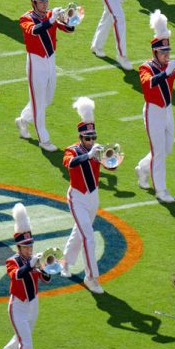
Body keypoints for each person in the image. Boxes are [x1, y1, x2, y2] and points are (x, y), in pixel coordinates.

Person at [134, 10, 175, 199]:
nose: (167, 55)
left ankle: (143, 168)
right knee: (159, 152)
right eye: (163, 52)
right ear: (155, 52)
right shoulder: (146, 67)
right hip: (153, 111)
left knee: (166, 148)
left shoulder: (169, 66)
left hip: (167, 110)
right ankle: (161, 190)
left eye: (168, 51)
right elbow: (148, 84)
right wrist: (167, 72)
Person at [17, 0, 75, 149]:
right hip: (36, 62)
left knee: (46, 99)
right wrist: (50, 20)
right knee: (38, 100)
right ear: (34, 3)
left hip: (51, 60)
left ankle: (23, 119)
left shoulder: (51, 14)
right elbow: (34, 31)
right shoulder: (26, 18)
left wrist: (68, 19)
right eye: (41, 1)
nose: (45, 4)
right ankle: (44, 139)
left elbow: (70, 29)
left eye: (46, 0)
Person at [0, 202, 51, 349]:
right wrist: (31, 264)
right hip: (18, 306)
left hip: (33, 303)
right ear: (19, 247)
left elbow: (45, 279)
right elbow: (16, 275)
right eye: (26, 247)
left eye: (30, 246)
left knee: (23, 336)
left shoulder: (34, 259)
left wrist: (45, 267)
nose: (29, 250)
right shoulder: (11, 261)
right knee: (26, 342)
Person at [61, 97, 105, 294]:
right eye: (87, 138)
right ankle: (91, 277)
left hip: (93, 196)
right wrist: (88, 156)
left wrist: (106, 158)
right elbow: (70, 163)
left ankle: (65, 261)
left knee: (80, 233)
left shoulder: (97, 149)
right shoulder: (72, 150)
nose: (91, 141)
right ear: (80, 137)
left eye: (93, 137)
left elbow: (110, 166)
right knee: (89, 236)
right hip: (77, 197)